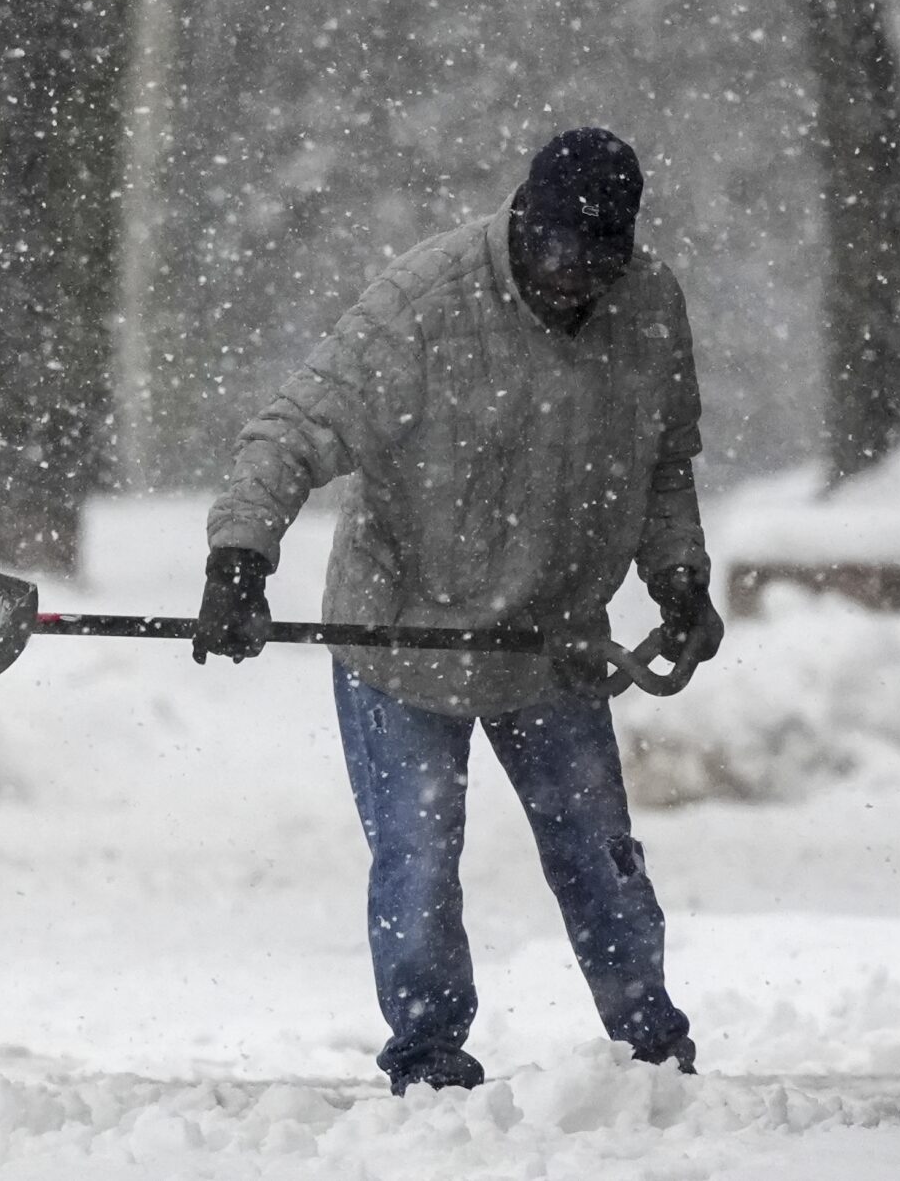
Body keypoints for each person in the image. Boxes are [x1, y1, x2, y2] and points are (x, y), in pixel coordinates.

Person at [198, 127, 725, 1094]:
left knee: (598, 855)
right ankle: (430, 1051)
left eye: (598, 257)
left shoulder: (649, 308)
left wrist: (680, 578)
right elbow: (293, 430)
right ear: (523, 221)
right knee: (419, 853)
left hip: (552, 634)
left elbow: (664, 464)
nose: (572, 277)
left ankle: (650, 1042)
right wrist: (240, 558)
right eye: (556, 248)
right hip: (407, 626)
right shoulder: (424, 308)